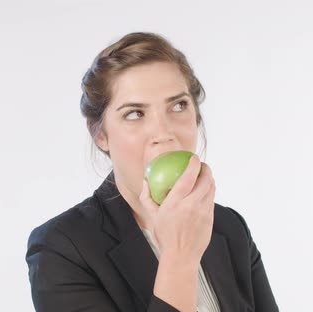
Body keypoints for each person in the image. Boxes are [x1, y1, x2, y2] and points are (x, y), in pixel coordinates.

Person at [25, 32, 279, 312]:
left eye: (178, 105)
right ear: (101, 134)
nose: (164, 133)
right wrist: (180, 257)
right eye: (134, 113)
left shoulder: (229, 227)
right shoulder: (61, 249)